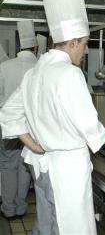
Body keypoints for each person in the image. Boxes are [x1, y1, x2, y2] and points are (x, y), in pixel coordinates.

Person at [0, 0, 105, 235]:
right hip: (66, 171)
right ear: (72, 42)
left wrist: (32, 144)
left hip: (42, 166)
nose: (85, 50)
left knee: (48, 224)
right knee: (71, 228)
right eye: (84, 44)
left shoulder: (34, 73)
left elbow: (7, 113)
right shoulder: (70, 73)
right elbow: (87, 123)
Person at [0, 20, 38, 220]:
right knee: (25, 165)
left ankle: (8, 208)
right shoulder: (41, 67)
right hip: (32, 129)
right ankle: (21, 206)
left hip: (9, 127)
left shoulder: (5, 67)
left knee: (7, 165)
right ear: (36, 47)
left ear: (19, 46)